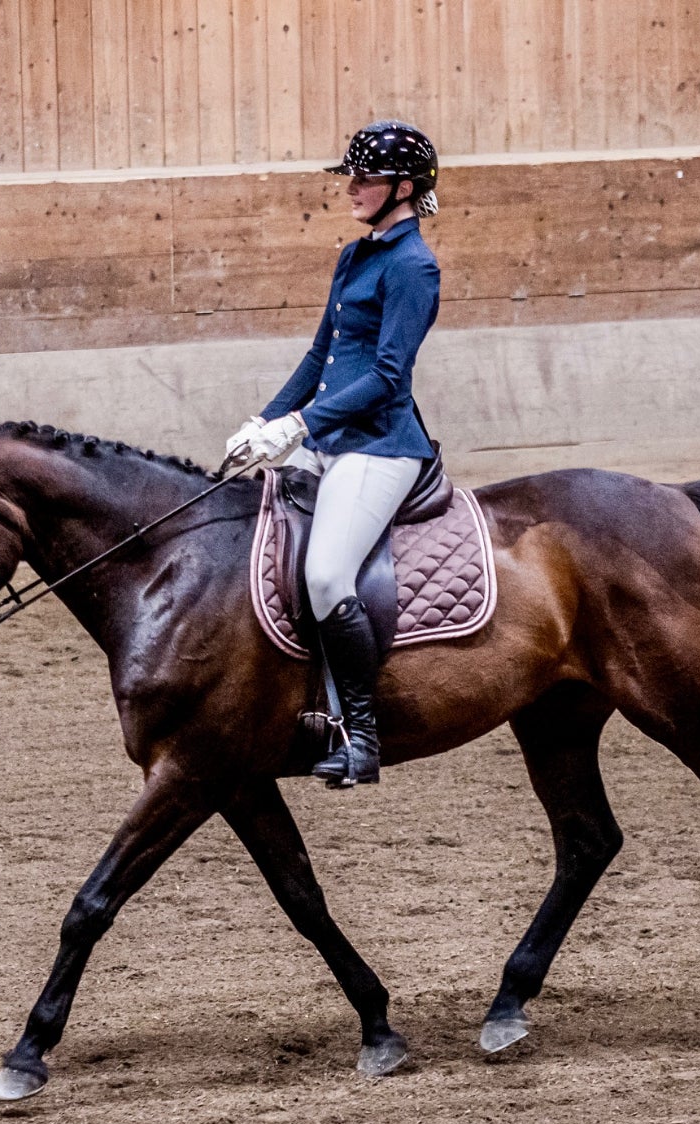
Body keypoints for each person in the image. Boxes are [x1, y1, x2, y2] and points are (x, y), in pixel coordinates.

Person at [228, 120, 442, 789]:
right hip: (325, 439)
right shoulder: (355, 256)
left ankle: (362, 736)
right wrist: (264, 420)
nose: (351, 188)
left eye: (365, 178)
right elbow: (320, 354)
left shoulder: (413, 266)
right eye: (351, 177)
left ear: (403, 189)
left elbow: (387, 377)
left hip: (379, 444)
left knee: (325, 575)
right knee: (253, 543)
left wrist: (298, 424)